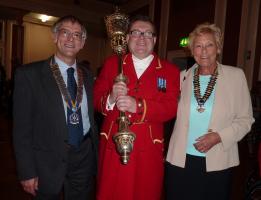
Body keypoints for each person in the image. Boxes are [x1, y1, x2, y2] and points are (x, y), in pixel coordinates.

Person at [94, 15, 180, 200]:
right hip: (113, 145)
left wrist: (138, 106)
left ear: (155, 40)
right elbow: (95, 99)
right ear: (126, 38)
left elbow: (171, 107)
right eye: (135, 33)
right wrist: (111, 97)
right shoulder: (111, 64)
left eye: (148, 34)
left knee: (145, 192)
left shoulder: (169, 71)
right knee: (111, 192)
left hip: (148, 148)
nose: (142, 38)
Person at [13, 15, 98, 200]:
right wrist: (27, 171)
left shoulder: (87, 75)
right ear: (54, 36)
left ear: (82, 42)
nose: (70, 39)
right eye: (65, 32)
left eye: (77, 35)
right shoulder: (29, 75)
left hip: (83, 155)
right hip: (46, 158)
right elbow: (21, 130)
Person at [165, 23, 254, 200]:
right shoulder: (180, 77)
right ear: (192, 50)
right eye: (198, 45)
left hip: (218, 159)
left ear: (218, 48)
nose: (203, 51)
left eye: (209, 45)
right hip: (180, 160)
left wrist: (219, 136)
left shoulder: (236, 76)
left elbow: (246, 120)